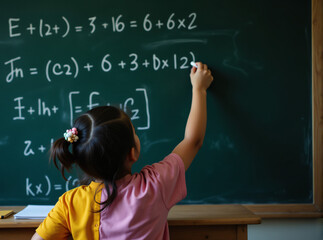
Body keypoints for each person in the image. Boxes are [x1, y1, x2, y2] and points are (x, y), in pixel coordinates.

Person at [31, 62, 214, 240]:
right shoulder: (155, 185)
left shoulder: (70, 204)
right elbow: (193, 141)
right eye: (134, 133)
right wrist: (199, 89)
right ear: (132, 153)